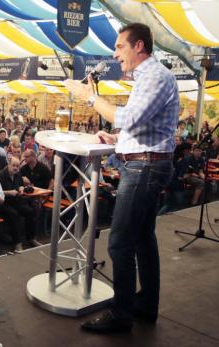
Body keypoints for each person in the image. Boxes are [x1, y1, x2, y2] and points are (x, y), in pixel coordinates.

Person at [64, 22, 177, 333]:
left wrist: (90, 97)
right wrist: (115, 139)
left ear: (139, 46)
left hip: (144, 169)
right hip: (146, 164)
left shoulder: (154, 76)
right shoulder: (147, 78)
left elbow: (129, 117)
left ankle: (121, 315)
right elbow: (138, 128)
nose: (115, 55)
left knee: (120, 242)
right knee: (142, 239)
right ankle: (145, 305)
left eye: (119, 47)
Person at [0, 158, 39, 251]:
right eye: (13, 165)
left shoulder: (18, 174)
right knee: (13, 214)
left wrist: (21, 188)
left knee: (30, 211)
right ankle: (17, 243)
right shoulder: (0, 175)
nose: (15, 168)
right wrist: (8, 192)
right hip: (3, 203)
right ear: (8, 165)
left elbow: (20, 185)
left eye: (17, 166)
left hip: (15, 201)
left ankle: (31, 238)